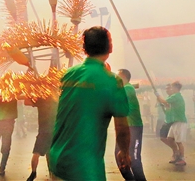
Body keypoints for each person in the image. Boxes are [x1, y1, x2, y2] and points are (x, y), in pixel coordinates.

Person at [49, 26, 132, 181]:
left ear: (84, 48)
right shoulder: (113, 82)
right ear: (110, 48)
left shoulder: (68, 75)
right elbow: (121, 128)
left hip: (57, 161)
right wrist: (124, 152)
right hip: (84, 169)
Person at [114, 68, 147, 181]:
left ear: (123, 77)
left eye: (117, 76)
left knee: (134, 158)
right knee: (119, 155)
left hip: (134, 127)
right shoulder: (124, 88)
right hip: (124, 127)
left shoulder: (128, 88)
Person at [25, 95, 58, 181]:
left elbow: (26, 101)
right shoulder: (43, 98)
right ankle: (33, 173)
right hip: (44, 132)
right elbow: (26, 102)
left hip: (52, 131)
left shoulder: (53, 99)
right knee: (37, 153)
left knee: (48, 154)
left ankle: (50, 174)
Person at [155, 81, 187, 166]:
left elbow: (164, 101)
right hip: (175, 122)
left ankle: (182, 158)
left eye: (172, 87)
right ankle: (176, 154)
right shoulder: (175, 96)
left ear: (176, 88)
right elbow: (166, 104)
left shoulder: (176, 96)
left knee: (179, 141)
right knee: (169, 138)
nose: (170, 89)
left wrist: (158, 95)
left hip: (179, 121)